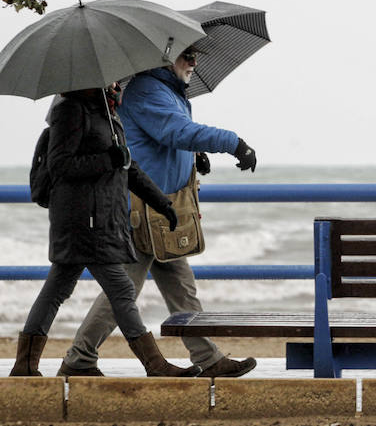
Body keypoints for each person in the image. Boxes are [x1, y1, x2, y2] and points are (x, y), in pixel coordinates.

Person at [57, 47, 258, 378]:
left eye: (195, 55)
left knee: (180, 287)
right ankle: (79, 358)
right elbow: (175, 131)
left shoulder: (166, 90)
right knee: (123, 292)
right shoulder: (149, 90)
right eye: (186, 55)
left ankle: (208, 359)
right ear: (165, 57)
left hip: (161, 213)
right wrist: (234, 142)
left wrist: (194, 157)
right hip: (140, 213)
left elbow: (161, 141)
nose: (193, 62)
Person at [11, 84, 200, 378]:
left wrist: (162, 203)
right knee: (122, 290)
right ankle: (155, 365)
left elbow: (128, 166)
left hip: (100, 218)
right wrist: (108, 160)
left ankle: (25, 365)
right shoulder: (70, 109)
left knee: (56, 290)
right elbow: (61, 165)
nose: (117, 85)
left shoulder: (107, 112)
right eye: (113, 81)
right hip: (84, 221)